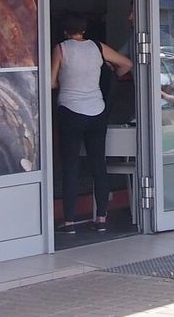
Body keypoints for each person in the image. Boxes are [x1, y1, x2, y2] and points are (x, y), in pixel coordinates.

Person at [51, 16, 133, 232]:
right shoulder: (98, 47)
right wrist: (113, 75)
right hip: (97, 111)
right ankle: (102, 218)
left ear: (65, 30)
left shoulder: (61, 49)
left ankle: (69, 222)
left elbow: (51, 82)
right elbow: (126, 64)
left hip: (70, 111)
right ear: (84, 30)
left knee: (71, 166)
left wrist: (66, 81)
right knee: (99, 165)